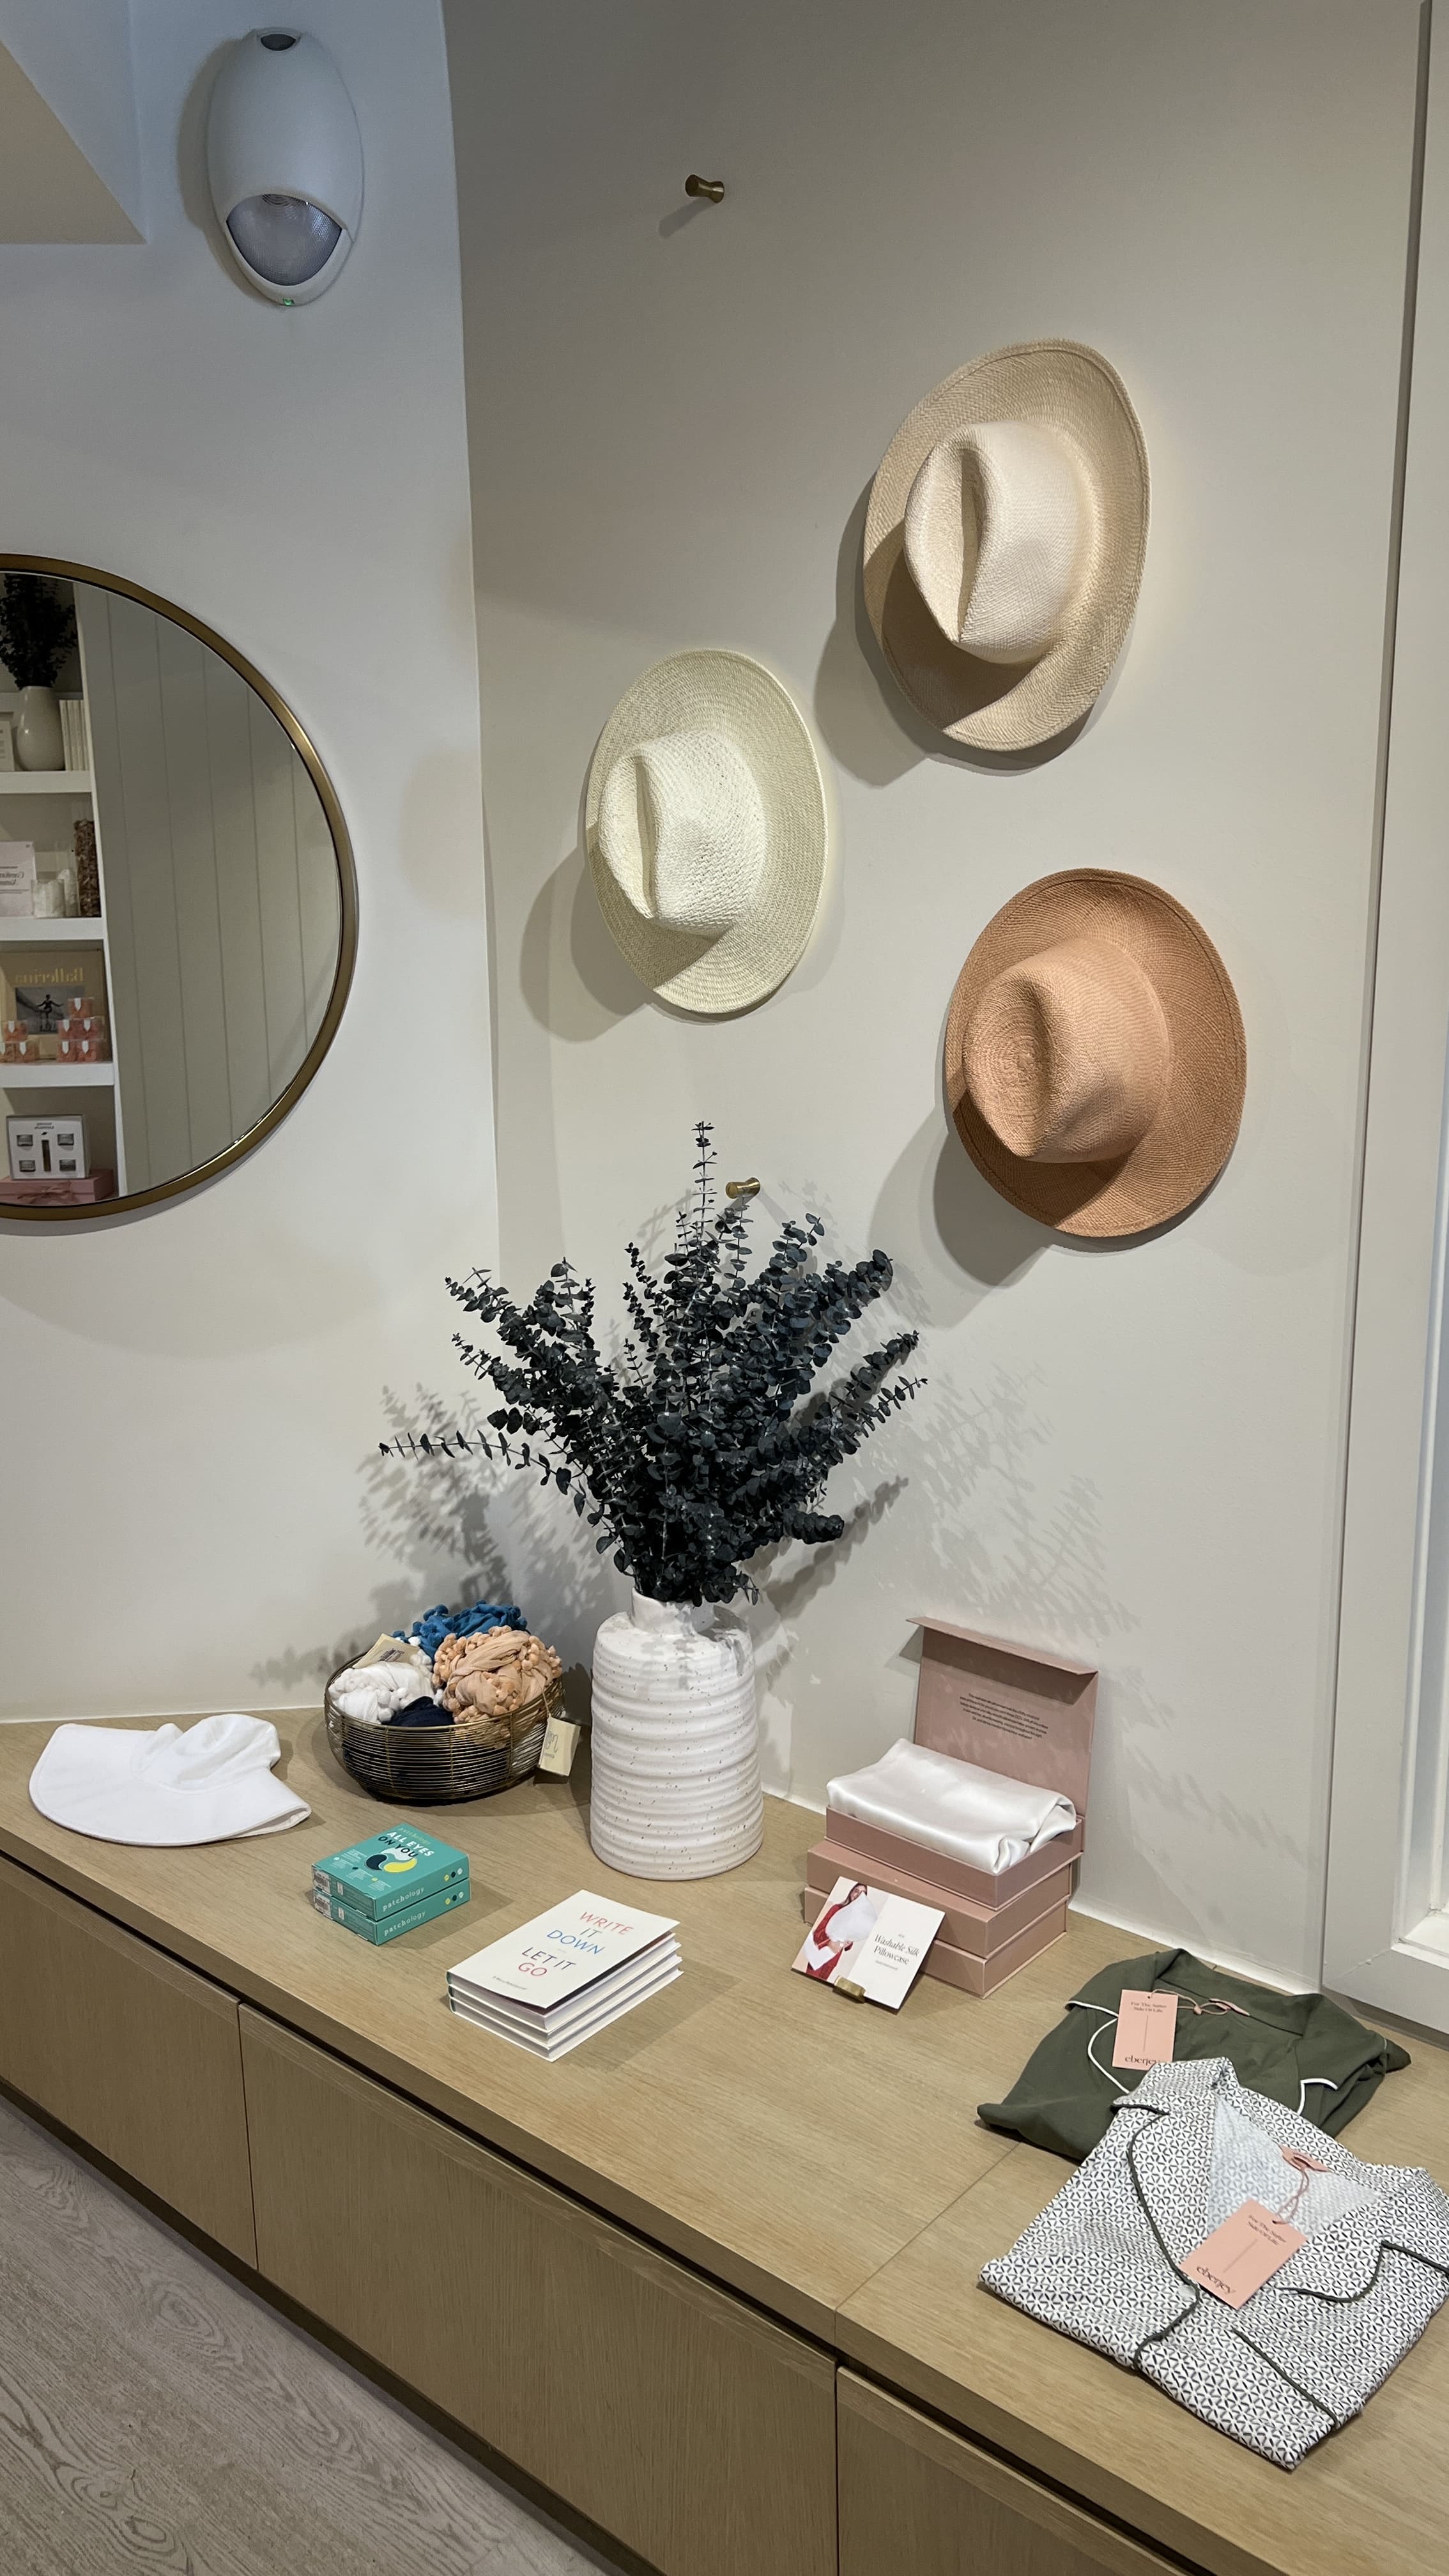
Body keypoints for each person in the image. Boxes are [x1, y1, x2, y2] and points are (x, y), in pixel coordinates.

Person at [801, 1881, 879, 1981]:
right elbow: (820, 1930)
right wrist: (832, 1940)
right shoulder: (837, 1908)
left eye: (862, 1893)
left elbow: (849, 1944)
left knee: (819, 1985)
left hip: (833, 1959)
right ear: (851, 1892)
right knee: (808, 1980)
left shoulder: (857, 1918)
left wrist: (848, 1943)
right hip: (822, 1953)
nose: (858, 1895)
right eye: (856, 1891)